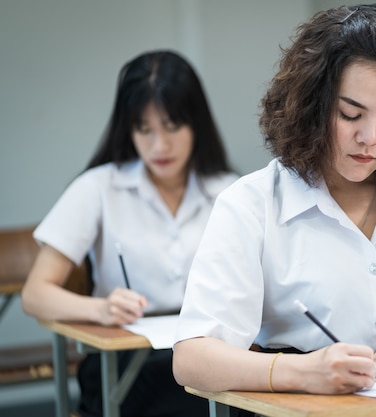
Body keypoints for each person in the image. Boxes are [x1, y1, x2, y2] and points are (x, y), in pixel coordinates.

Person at [173, 4, 376, 417]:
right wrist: (301, 371)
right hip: (302, 406)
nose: (369, 138)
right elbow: (191, 359)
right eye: (350, 114)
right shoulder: (252, 203)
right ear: (311, 105)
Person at [22, 49, 238, 417]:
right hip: (128, 361)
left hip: (207, 353)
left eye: (172, 126)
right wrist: (101, 309)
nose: (159, 146)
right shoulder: (98, 188)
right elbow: (35, 294)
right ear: (129, 129)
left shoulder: (230, 191)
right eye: (144, 129)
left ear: (196, 124)